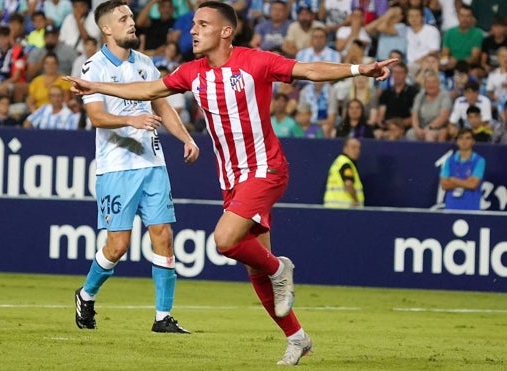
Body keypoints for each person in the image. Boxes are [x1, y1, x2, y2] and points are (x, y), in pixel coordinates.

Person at [65, 1, 395, 365]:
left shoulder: (256, 62)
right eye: (193, 23)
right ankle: (296, 336)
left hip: (265, 169)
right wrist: (92, 85)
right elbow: (146, 92)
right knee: (254, 267)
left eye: (202, 24)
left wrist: (358, 69)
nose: (193, 29)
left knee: (225, 241)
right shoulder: (192, 72)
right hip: (233, 180)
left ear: (225, 32)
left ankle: (279, 268)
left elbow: (310, 70)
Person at [71, 0, 200, 335]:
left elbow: (163, 106)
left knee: (164, 236)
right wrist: (131, 118)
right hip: (116, 168)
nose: (131, 22)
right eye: (123, 18)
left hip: (153, 163)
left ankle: (163, 317)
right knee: (118, 246)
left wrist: (186, 138)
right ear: (106, 29)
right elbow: (96, 116)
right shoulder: (93, 68)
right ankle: (86, 295)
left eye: (131, 17)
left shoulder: (146, 64)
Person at [439, 128, 485, 211]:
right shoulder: (449, 160)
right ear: (457, 141)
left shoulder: (479, 161)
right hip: (451, 206)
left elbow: (473, 185)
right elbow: (444, 185)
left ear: (473, 141)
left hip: (471, 207)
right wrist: (466, 182)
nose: (464, 141)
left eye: (468, 138)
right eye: (461, 138)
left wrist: (454, 180)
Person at [323, 138, 364, 208]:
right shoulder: (346, 164)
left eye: (359, 148)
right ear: (345, 148)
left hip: (332, 206)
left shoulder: (338, 161)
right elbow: (348, 184)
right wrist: (356, 200)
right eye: (353, 147)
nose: (357, 151)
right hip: (344, 208)